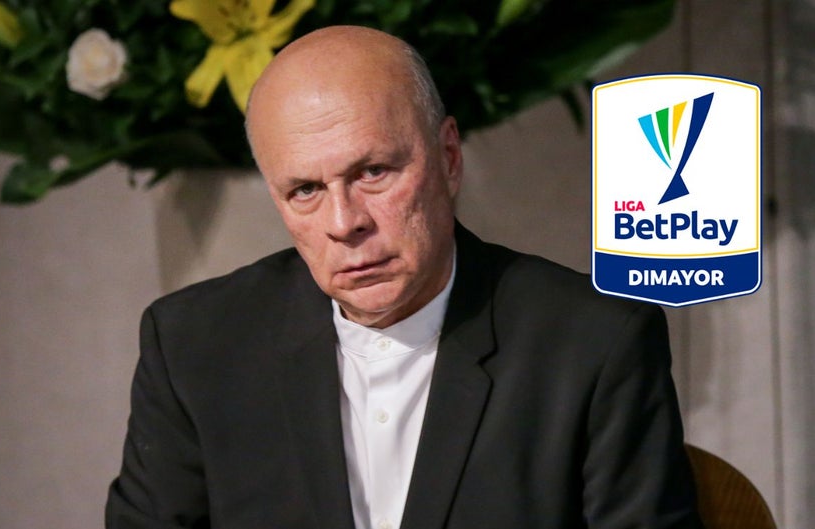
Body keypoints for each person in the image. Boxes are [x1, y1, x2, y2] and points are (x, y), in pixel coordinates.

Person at [106, 25, 702, 529]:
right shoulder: (191, 344)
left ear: (448, 158)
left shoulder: (596, 342)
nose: (344, 223)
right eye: (305, 190)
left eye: (373, 172)